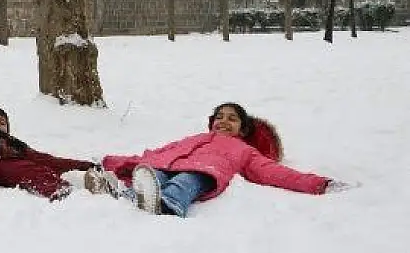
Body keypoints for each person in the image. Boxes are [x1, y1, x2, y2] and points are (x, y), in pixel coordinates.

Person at [88, 102, 358, 217]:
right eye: (219, 117)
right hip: (166, 167)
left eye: (232, 118)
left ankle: (168, 204)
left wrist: (319, 184)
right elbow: (156, 153)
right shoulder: (193, 138)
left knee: (188, 179)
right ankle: (131, 195)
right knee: (151, 171)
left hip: (203, 173)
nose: (224, 121)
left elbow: (274, 173)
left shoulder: (245, 151)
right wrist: (110, 160)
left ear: (242, 129)